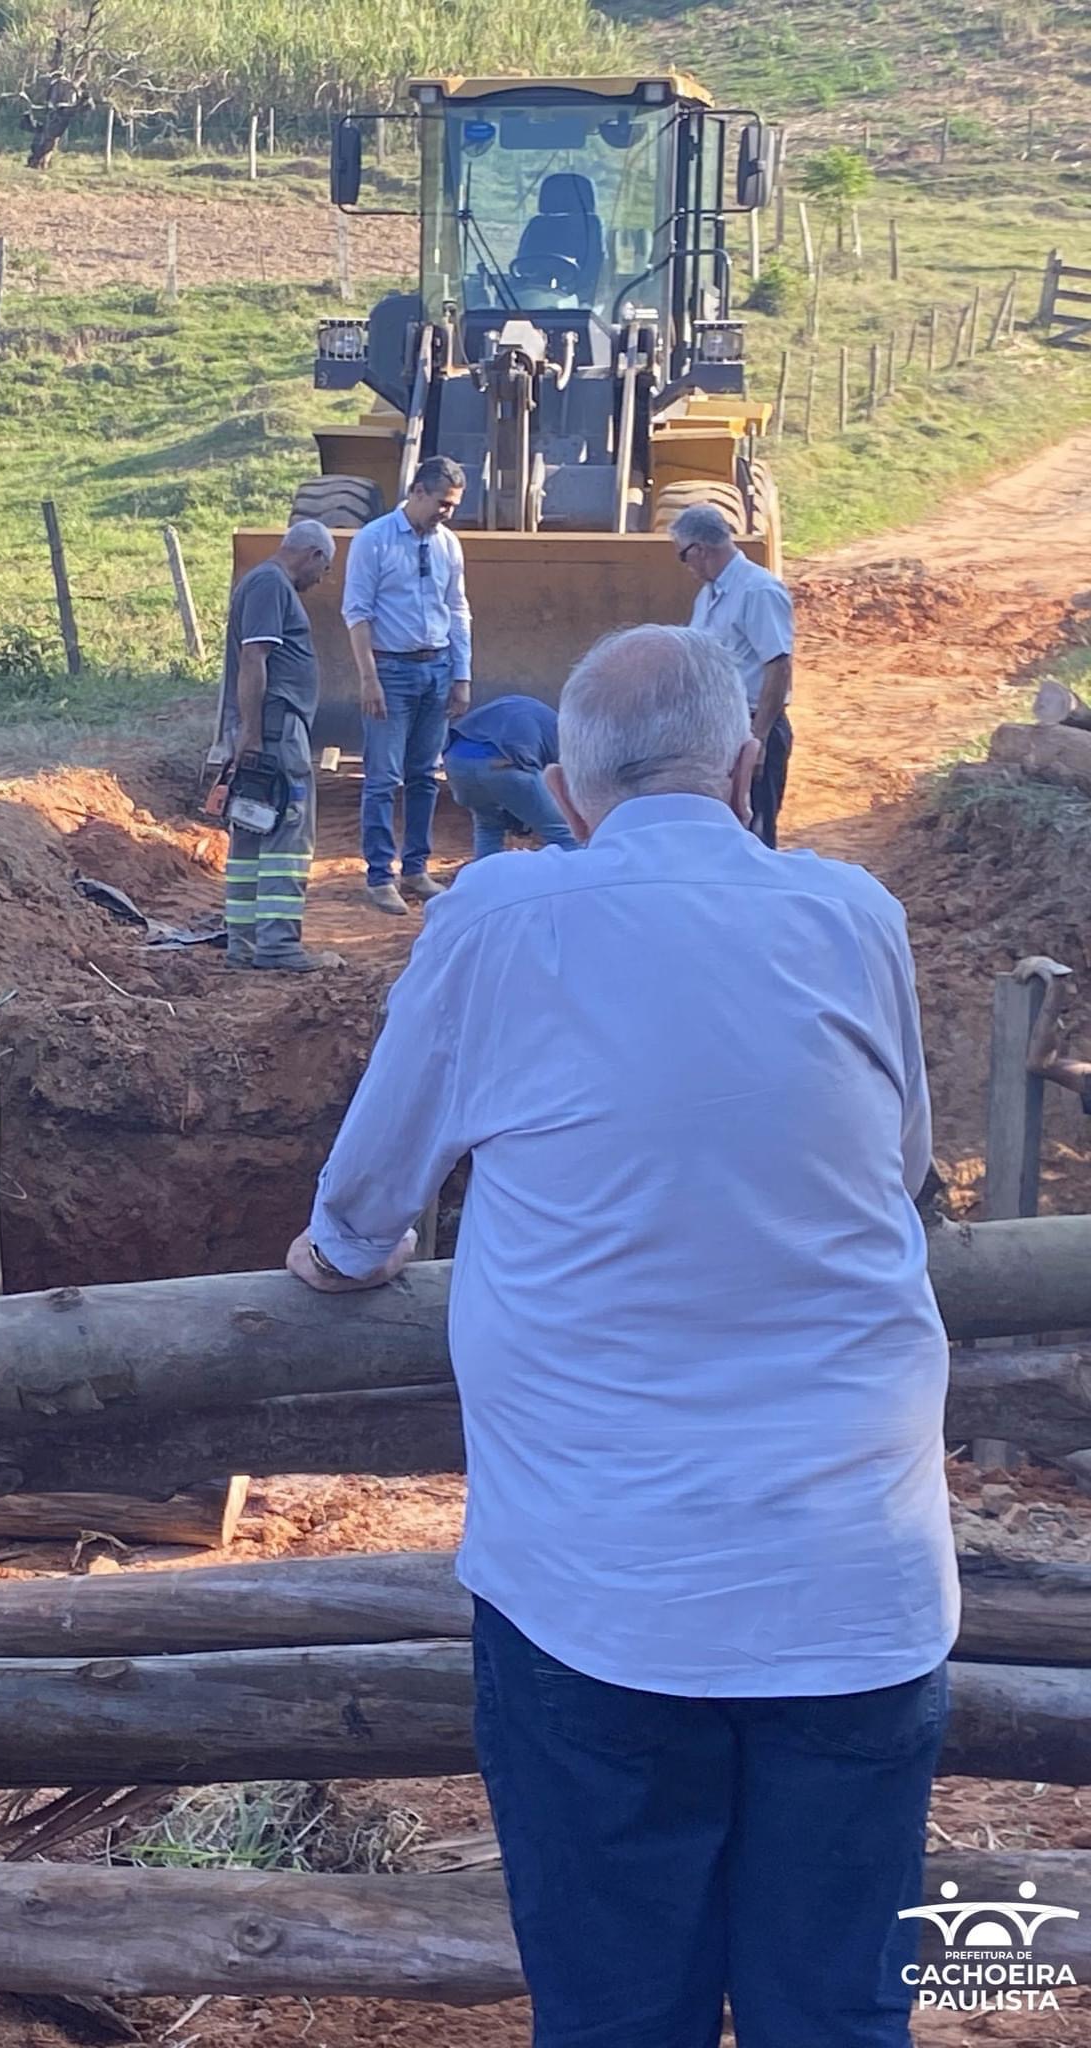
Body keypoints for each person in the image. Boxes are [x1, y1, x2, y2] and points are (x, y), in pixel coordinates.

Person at [287, 625, 954, 2048]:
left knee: (614, 2020)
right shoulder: (855, 916)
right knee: (836, 2017)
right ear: (746, 764)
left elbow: (359, 1210)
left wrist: (348, 1258)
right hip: (859, 1589)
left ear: (566, 793)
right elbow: (902, 1173)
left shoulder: (500, 919)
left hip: (599, 1604)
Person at [343, 454, 472, 913]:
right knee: (383, 777)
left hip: (436, 668)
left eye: (453, 506)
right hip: (391, 671)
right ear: (417, 492)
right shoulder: (373, 541)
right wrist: (369, 678)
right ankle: (380, 875)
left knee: (424, 775)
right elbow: (358, 611)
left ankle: (416, 868)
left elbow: (457, 608)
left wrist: (461, 674)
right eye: (442, 503)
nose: (447, 513)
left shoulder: (448, 545)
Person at [220, 517, 338, 972]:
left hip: (265, 728)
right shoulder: (272, 585)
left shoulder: (260, 583)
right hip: (276, 729)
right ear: (313, 555)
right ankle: (279, 946)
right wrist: (252, 732)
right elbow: (255, 657)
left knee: (253, 829)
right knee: (289, 832)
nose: (320, 579)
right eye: (323, 569)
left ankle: (244, 943)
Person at [673, 501, 795, 847]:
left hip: (752, 724)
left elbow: (778, 666)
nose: (685, 566)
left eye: (682, 556)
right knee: (723, 829)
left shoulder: (757, 590)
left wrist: (758, 740)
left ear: (700, 550)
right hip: (719, 727)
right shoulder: (709, 594)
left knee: (754, 830)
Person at [440, 693, 576, 860]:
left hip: (456, 761)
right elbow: (555, 786)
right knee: (564, 834)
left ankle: (485, 880)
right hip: (504, 764)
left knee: (488, 826)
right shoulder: (562, 735)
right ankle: (585, 881)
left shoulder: (524, 709)